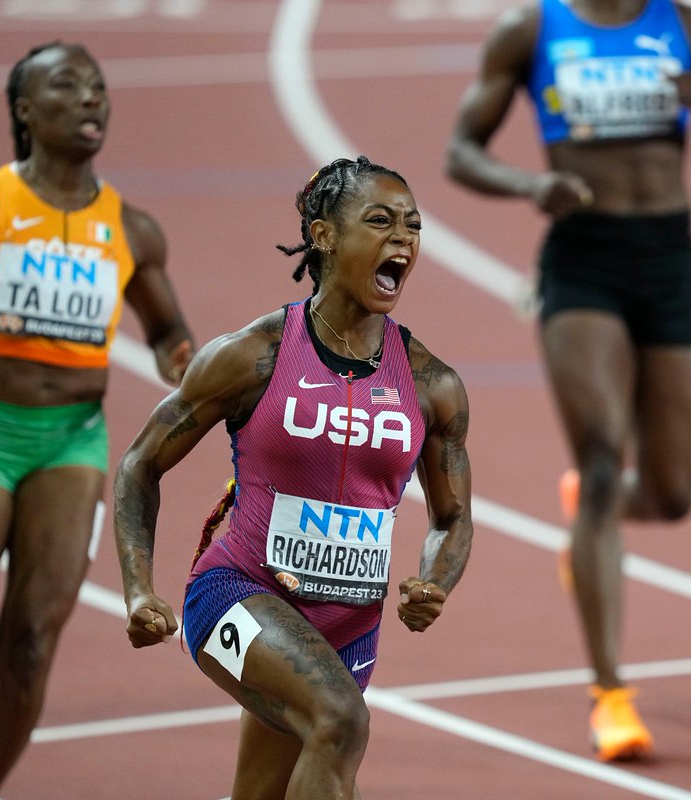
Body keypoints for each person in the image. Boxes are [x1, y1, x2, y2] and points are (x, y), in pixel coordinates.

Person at [0, 42, 194, 800]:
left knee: (29, 651)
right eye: (67, 85)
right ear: (24, 109)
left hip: (73, 444)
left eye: (98, 86)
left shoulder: (134, 231)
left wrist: (185, 365)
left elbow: (168, 335)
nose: (91, 99)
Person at [445, 0, 691, 762]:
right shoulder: (531, 29)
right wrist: (527, 184)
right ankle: (611, 694)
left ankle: (594, 514)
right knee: (599, 450)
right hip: (582, 259)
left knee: (674, 492)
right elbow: (460, 151)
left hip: (667, 256)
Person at [113, 156, 474, 799]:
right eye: (381, 221)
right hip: (238, 596)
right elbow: (141, 463)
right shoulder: (255, 356)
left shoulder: (431, 385)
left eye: (413, 226)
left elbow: (451, 519)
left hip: (350, 629)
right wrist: (139, 587)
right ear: (325, 235)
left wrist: (436, 581)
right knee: (338, 723)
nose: (403, 240)